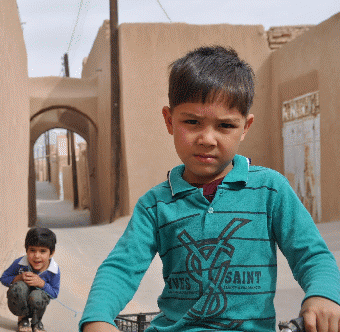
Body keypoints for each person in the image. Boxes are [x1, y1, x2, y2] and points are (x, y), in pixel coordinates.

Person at [79, 46, 340, 332]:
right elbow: (120, 268)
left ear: (245, 127)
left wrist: (322, 295)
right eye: (192, 122)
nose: (207, 139)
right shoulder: (154, 206)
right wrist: (97, 318)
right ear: (169, 120)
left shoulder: (270, 190)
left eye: (225, 125)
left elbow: (311, 255)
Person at [0, 227, 60, 332]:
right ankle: (23, 319)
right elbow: (3, 278)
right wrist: (19, 277)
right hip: (21, 301)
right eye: (32, 250)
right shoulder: (20, 264)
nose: (37, 256)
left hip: (38, 301)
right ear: (26, 250)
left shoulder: (53, 270)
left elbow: (54, 294)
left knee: (37, 296)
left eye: (42, 251)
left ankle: (36, 322)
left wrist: (42, 284)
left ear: (51, 253)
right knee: (19, 287)